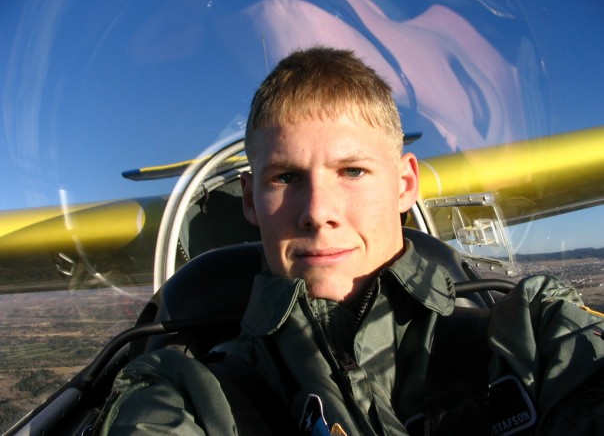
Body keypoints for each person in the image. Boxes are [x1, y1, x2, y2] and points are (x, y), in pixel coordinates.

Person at [101, 47, 604, 435]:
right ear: (250, 201)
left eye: (353, 170)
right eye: (285, 178)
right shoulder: (184, 397)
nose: (319, 212)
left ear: (405, 183)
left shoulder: (538, 338)